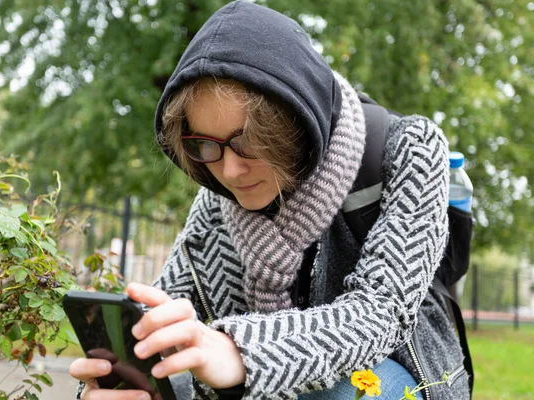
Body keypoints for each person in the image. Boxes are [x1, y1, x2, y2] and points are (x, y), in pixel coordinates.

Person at [69, 1, 470, 399]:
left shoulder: (409, 149)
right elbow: (170, 314)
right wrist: (125, 379)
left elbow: (382, 312)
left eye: (246, 142)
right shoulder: (216, 207)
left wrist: (240, 352)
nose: (228, 172)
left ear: (297, 121)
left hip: (406, 373)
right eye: (204, 145)